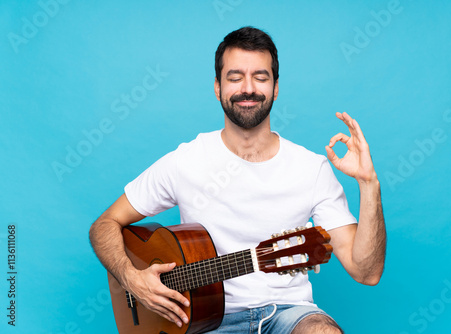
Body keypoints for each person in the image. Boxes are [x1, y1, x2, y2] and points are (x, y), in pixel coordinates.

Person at [89, 26, 386, 334]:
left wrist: (369, 183)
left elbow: (366, 272)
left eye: (260, 76)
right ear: (217, 87)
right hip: (201, 321)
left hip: (287, 314)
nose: (248, 88)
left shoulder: (312, 169)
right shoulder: (185, 160)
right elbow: (104, 225)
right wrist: (131, 278)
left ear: (276, 87)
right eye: (235, 77)